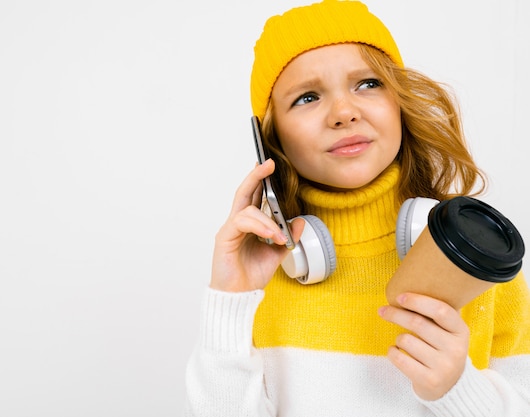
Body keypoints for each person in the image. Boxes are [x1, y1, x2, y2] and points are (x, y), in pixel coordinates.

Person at [184, 1, 530, 416]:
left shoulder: (476, 257)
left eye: (367, 84)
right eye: (307, 97)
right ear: (271, 138)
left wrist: (457, 390)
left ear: (400, 101)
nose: (344, 113)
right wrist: (230, 298)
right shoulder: (256, 283)